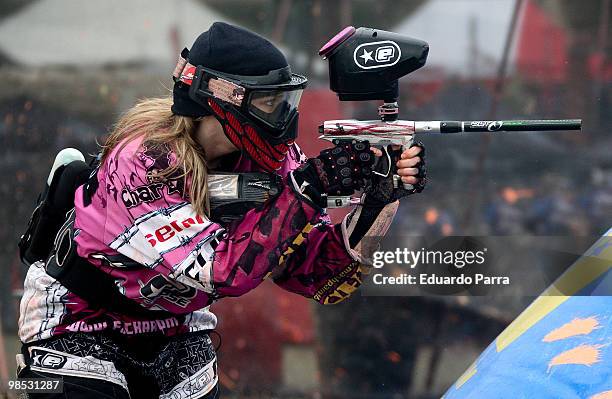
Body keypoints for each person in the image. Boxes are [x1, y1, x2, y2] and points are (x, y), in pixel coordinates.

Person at [17, 22, 425, 398]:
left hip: (179, 328)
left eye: (287, 100)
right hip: (77, 321)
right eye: (270, 103)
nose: (284, 117)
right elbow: (221, 271)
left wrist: (379, 199)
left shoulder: (278, 160)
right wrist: (309, 189)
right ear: (223, 99)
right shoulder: (145, 159)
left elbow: (321, 278)